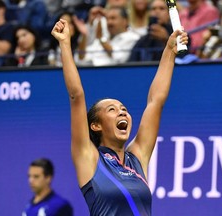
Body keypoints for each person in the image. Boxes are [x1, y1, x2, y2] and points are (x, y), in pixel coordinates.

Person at [51, 18, 188, 215]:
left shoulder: (137, 158)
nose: (122, 111)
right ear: (95, 126)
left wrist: (169, 51)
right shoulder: (88, 157)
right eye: (112, 110)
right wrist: (65, 44)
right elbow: (76, 96)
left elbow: (155, 101)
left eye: (123, 108)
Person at [75, 6, 140, 66]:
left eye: (113, 18)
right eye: (107, 19)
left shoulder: (132, 38)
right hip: (90, 73)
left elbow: (120, 59)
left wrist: (101, 39)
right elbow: (80, 58)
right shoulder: (104, 37)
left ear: (125, 21)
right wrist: (84, 34)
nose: (109, 22)